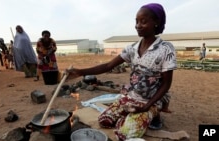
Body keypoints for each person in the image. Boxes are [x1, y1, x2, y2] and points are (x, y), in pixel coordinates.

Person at [66, 3, 177, 140]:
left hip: (151, 100)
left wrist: (146, 106)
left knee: (125, 134)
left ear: (156, 22)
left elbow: (166, 84)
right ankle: (134, 117)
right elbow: (108, 66)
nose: (138, 25)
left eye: (143, 21)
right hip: (132, 96)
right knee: (104, 120)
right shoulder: (132, 48)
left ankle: (155, 115)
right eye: (136, 21)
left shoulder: (165, 49)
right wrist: (80, 72)